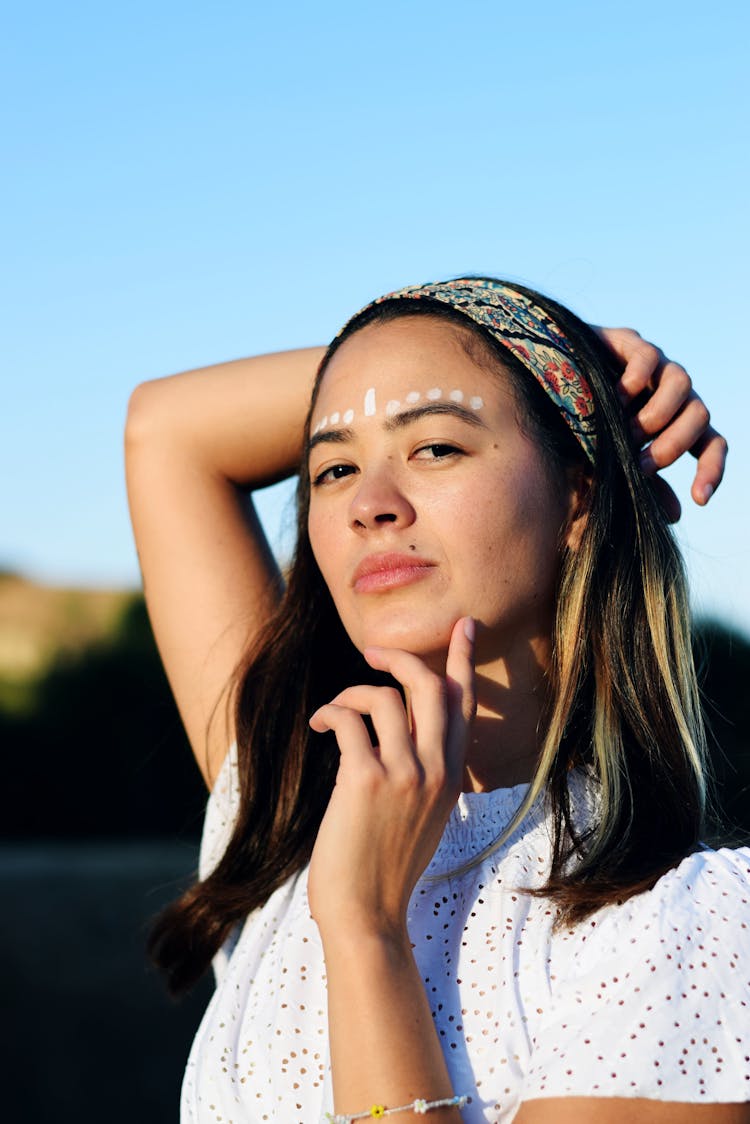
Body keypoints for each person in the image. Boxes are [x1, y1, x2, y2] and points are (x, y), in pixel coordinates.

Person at [125, 277, 748, 1124]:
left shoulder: (687, 923)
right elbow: (167, 430)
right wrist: (547, 353)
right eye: (335, 467)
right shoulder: (286, 798)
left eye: (437, 449)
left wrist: (365, 928)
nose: (371, 506)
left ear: (578, 494)